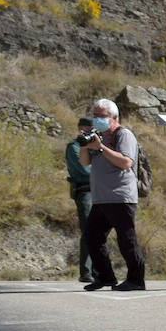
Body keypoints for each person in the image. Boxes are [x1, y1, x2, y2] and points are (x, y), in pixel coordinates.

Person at [80, 97, 145, 292]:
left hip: (120, 196)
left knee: (126, 238)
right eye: (95, 116)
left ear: (114, 117)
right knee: (92, 237)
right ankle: (105, 276)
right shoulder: (97, 136)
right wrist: (85, 144)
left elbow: (126, 162)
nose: (97, 119)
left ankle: (136, 280)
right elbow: (84, 162)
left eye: (102, 116)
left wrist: (100, 147)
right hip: (101, 198)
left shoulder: (123, 135)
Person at [64, 117, 94, 285]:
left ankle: (98, 270)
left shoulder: (93, 148)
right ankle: (87, 271)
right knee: (89, 231)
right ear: (82, 129)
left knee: (99, 232)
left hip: (97, 192)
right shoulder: (74, 147)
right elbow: (85, 170)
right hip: (85, 192)